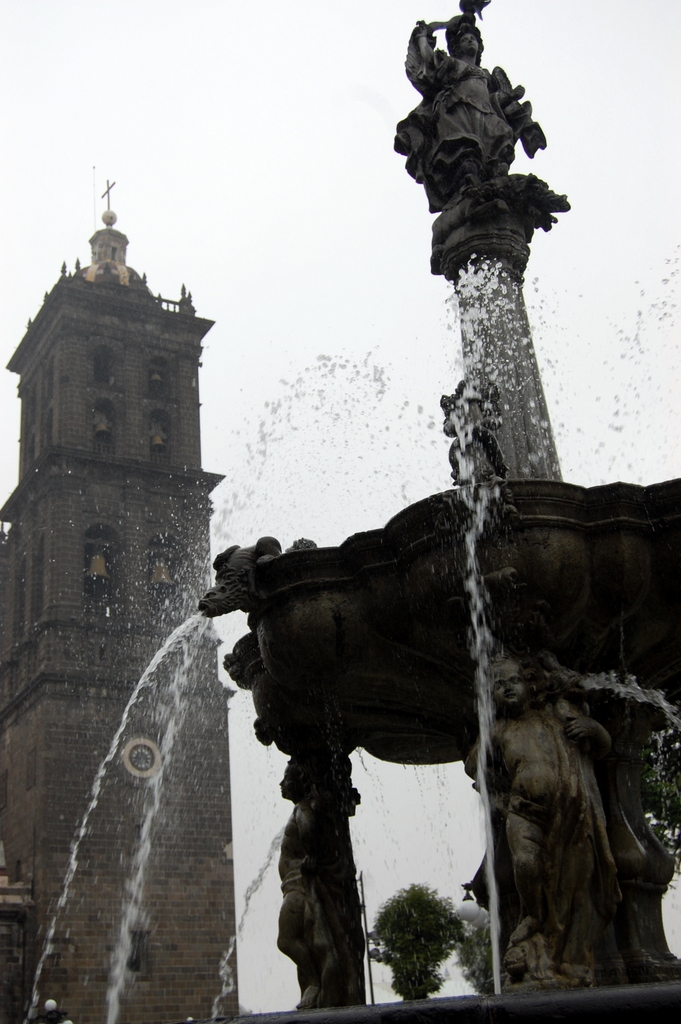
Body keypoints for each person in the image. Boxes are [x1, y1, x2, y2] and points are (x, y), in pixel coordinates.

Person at [466, 652, 620, 988]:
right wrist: (495, 791)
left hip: (571, 812)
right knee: (525, 863)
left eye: (513, 682)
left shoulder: (556, 714)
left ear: (530, 685)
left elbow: (603, 747)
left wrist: (593, 729)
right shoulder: (498, 730)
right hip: (523, 810)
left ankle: (570, 955)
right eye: (498, 687)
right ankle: (533, 914)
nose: (507, 690)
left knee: (576, 883)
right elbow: (473, 765)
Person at [395, 14, 545, 213]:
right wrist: (424, 36)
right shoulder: (452, 64)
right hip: (457, 109)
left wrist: (511, 98)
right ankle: (469, 189)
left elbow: (498, 99)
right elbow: (429, 61)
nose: (469, 40)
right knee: (464, 150)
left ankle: (492, 186)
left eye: (473, 38)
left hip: (486, 115)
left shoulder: (485, 75)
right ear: (456, 46)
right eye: (464, 39)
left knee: (498, 150)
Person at [277, 758, 365, 1008]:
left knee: (286, 939)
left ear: (300, 782)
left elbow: (308, 825)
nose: (282, 783)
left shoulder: (302, 809)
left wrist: (310, 854)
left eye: (287, 779)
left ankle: (315, 982)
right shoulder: (304, 807)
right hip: (296, 883)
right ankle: (316, 983)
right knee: (300, 938)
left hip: (300, 884)